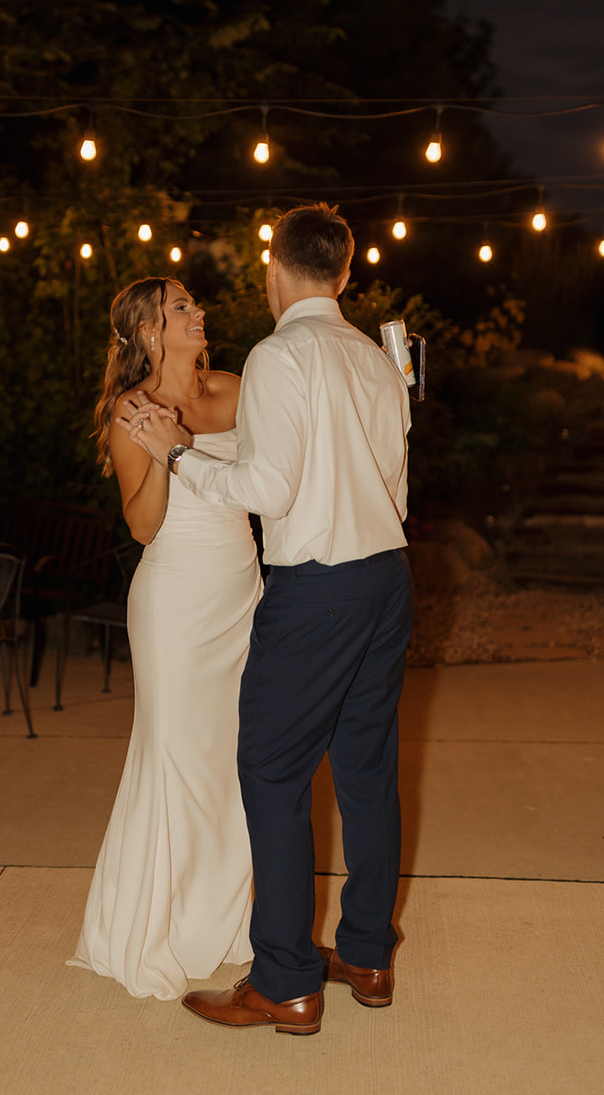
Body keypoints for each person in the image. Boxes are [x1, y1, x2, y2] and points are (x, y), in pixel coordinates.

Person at [128, 205, 413, 1036]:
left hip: (318, 587)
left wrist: (179, 455)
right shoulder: (371, 357)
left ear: (273, 269)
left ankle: (285, 977)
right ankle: (364, 953)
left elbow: (268, 491)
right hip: (387, 578)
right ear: (344, 274)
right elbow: (395, 484)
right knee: (364, 770)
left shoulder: (280, 354)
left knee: (272, 771)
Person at [68, 277, 262, 1000]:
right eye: (180, 306)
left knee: (235, 758)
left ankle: (223, 918)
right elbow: (143, 524)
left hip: (241, 591)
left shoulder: (235, 389)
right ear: (148, 329)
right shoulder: (132, 410)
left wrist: (188, 446)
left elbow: (264, 483)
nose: (196, 312)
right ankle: (156, 926)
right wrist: (157, 448)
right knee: (177, 754)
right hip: (175, 599)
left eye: (191, 303)